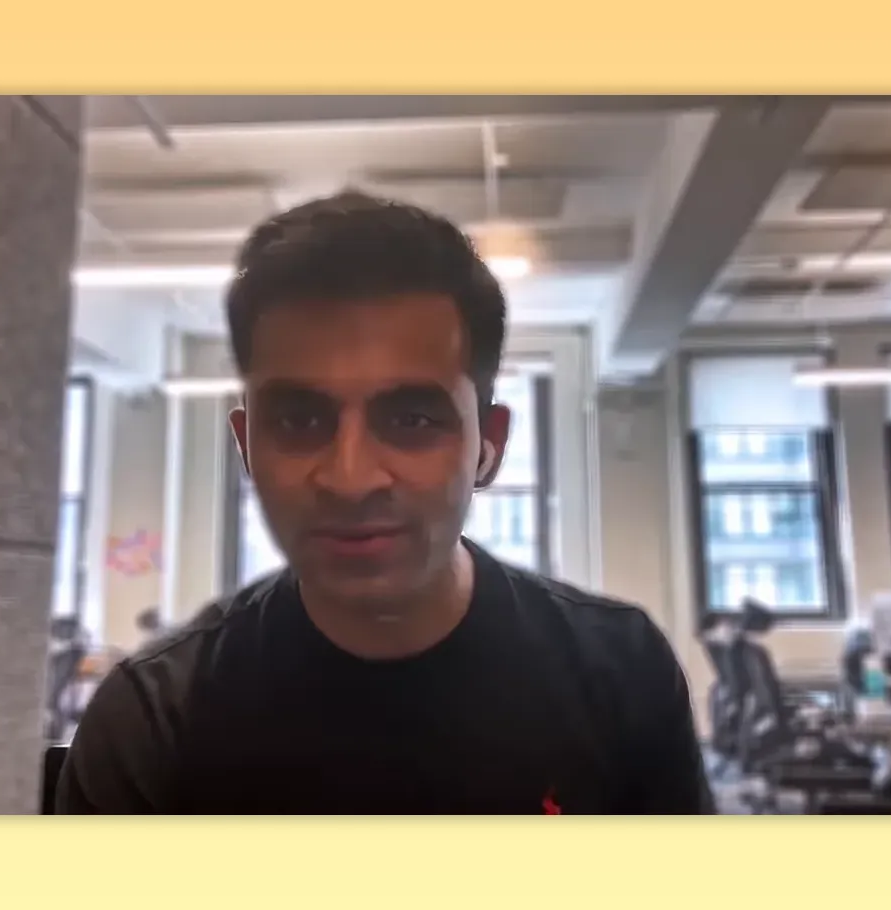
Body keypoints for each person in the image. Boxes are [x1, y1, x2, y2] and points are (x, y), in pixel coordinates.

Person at [56, 191, 715, 814]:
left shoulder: (620, 675)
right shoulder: (153, 721)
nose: (351, 478)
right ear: (247, 446)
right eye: (298, 421)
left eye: (412, 420)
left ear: (488, 447)